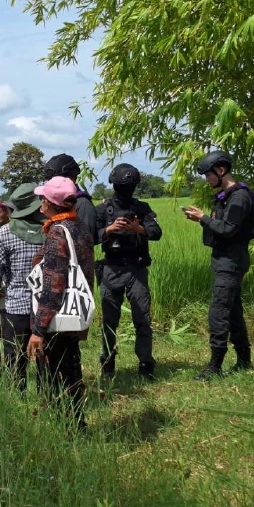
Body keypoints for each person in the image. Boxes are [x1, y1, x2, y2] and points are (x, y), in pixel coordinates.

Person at [183, 150, 254, 380]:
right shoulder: (226, 196)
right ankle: (244, 361)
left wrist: (203, 218)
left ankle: (214, 366)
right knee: (233, 311)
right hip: (224, 260)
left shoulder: (239, 197)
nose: (207, 180)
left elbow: (228, 229)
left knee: (218, 312)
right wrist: (204, 221)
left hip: (232, 261)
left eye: (208, 175)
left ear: (221, 170)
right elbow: (222, 227)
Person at [27, 176, 96, 430]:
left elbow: (54, 285)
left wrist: (38, 330)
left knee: (55, 373)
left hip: (57, 317)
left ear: (50, 203)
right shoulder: (79, 227)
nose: (40, 203)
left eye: (42, 198)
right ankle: (75, 422)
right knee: (71, 368)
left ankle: (64, 428)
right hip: (74, 315)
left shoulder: (57, 232)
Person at [96, 163, 162, 380]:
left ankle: (145, 364)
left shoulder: (142, 208)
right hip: (111, 268)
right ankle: (108, 361)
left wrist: (138, 229)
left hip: (136, 268)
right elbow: (88, 236)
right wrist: (109, 230)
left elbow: (156, 232)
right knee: (109, 319)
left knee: (142, 317)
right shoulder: (103, 208)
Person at [0, 183, 46, 390]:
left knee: (14, 355)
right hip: (45, 307)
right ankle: (46, 396)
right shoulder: (51, 230)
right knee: (44, 356)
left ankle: (16, 395)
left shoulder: (5, 232)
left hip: (16, 305)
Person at [44, 153, 98, 251]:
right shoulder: (49, 203)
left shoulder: (82, 204)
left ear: (72, 179)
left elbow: (84, 244)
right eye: (50, 180)